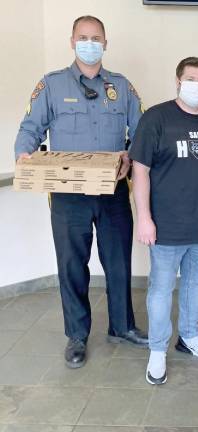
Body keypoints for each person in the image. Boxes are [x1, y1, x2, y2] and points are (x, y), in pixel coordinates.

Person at [13, 15, 148, 369]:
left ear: (106, 43)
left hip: (113, 191)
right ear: (72, 42)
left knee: (118, 262)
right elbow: (30, 129)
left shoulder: (121, 86)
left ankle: (122, 326)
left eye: (97, 37)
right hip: (68, 194)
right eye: (84, 37)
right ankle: (76, 335)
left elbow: (144, 131)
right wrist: (25, 156)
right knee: (73, 266)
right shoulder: (52, 86)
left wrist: (130, 156)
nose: (91, 43)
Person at [130, 57, 198, 385]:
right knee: (161, 288)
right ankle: (157, 350)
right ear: (177, 80)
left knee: (193, 284)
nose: (197, 84)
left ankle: (189, 336)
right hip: (166, 225)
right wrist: (144, 217)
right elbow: (139, 171)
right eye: (191, 78)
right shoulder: (156, 118)